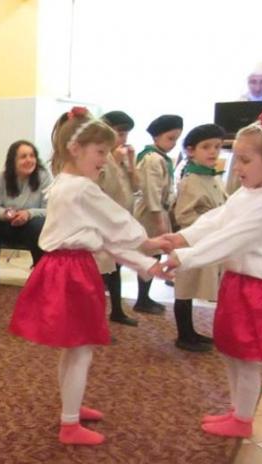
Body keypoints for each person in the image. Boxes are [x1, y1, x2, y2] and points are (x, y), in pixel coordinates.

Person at [9, 107, 170, 446]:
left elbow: (104, 236)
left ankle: (71, 406)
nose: (105, 160)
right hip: (73, 271)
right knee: (81, 349)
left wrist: (143, 260)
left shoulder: (63, 183)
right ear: (76, 148)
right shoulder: (82, 188)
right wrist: (148, 244)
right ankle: (69, 423)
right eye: (100, 152)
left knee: (73, 347)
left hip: (62, 268)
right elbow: (117, 224)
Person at [163, 108, 262, 438]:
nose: (235, 167)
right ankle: (238, 411)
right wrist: (183, 237)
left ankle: (243, 419)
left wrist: (183, 257)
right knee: (231, 352)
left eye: (244, 160)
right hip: (239, 284)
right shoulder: (250, 193)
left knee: (246, 358)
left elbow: (230, 239)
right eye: (236, 159)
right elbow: (218, 219)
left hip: (260, 290)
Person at [171, 124, 228, 352]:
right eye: (206, 147)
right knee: (185, 289)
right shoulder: (192, 179)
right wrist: (208, 225)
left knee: (193, 288)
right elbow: (183, 215)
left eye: (217, 146)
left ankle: (191, 332)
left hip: (208, 242)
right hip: (192, 243)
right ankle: (184, 335)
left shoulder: (211, 176)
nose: (213, 152)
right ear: (190, 150)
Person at [0, 140, 52, 287]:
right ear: (13, 161)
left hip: (32, 227)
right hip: (9, 224)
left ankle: (39, 273)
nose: (29, 160)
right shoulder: (2, 178)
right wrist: (6, 213)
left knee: (37, 225)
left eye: (32, 156)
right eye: (23, 156)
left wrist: (28, 214)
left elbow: (49, 209)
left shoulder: (44, 177)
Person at [133, 114, 183, 314]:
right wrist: (159, 221)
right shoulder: (151, 159)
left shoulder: (161, 158)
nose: (173, 143)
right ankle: (142, 299)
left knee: (154, 254)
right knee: (149, 254)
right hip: (150, 212)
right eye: (170, 138)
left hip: (159, 210)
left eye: (176, 139)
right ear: (156, 137)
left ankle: (145, 296)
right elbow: (151, 192)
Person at [98, 110, 141, 326]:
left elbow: (136, 187)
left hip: (121, 221)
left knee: (116, 268)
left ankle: (117, 309)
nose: (123, 139)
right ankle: (96, 319)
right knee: (102, 272)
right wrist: (113, 161)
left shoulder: (122, 158)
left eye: (126, 134)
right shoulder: (100, 158)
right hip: (103, 223)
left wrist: (131, 164)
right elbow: (102, 190)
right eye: (120, 133)